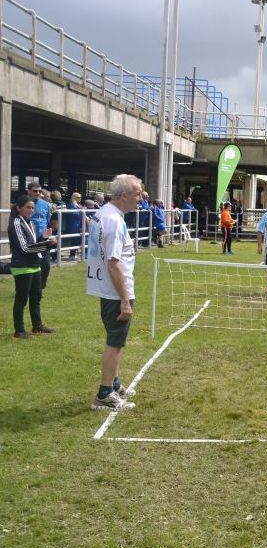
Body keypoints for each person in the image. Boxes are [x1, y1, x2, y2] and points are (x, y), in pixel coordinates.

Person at [86, 174, 143, 411]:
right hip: (115, 292)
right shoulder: (114, 221)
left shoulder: (105, 214)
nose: (140, 198)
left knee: (117, 341)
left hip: (108, 289)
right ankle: (104, 394)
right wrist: (124, 300)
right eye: (138, 194)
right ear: (124, 196)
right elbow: (113, 263)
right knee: (115, 343)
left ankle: (115, 383)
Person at [8, 195, 57, 338]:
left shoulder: (29, 222)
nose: (31, 210)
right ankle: (19, 330)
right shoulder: (16, 223)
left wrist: (43, 238)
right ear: (18, 208)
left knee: (36, 297)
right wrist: (46, 245)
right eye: (28, 207)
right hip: (22, 266)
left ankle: (37, 326)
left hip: (35, 264)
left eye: (32, 208)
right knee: (21, 299)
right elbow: (25, 248)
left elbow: (33, 243)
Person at [65, 192, 83, 259]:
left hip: (78, 224)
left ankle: (74, 254)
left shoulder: (78, 205)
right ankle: (72, 255)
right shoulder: (71, 204)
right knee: (74, 240)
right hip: (73, 225)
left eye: (80, 197)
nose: (80, 198)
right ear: (74, 197)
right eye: (78, 197)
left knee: (77, 239)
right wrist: (81, 212)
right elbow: (73, 214)